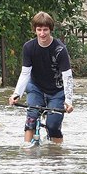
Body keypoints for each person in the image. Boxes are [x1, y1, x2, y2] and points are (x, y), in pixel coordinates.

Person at [8, 11, 74, 144]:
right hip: (36, 88)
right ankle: (27, 152)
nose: (42, 33)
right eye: (39, 30)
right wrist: (17, 94)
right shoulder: (28, 47)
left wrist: (68, 100)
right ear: (35, 30)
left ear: (50, 30)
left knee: (53, 125)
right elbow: (25, 73)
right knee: (31, 119)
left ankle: (56, 155)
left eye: (45, 30)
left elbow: (67, 77)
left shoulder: (60, 50)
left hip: (56, 91)